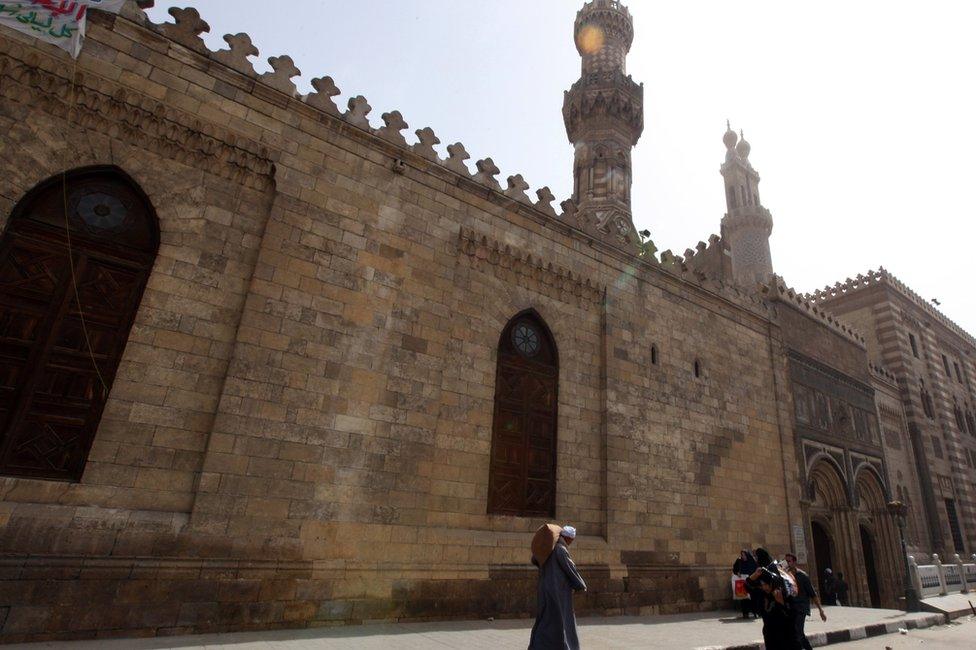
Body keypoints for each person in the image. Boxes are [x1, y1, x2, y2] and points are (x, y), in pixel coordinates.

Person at [529, 525, 587, 650]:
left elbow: (535, 560)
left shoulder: (548, 548)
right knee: (562, 621)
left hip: (544, 589)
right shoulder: (561, 549)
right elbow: (570, 569)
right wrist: (580, 585)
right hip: (558, 591)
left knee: (545, 618)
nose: (571, 542)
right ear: (568, 538)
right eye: (572, 539)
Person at [746, 565, 800, 650]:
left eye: (767, 584)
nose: (765, 587)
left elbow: (793, 616)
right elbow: (747, 586)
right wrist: (755, 575)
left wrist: (781, 603)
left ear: (773, 582)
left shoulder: (785, 594)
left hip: (787, 638)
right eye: (762, 584)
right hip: (770, 637)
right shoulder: (763, 594)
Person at [785, 553, 826, 650]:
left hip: (801, 608)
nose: (787, 563)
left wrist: (821, 610)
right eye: (785, 561)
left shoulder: (803, 576)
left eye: (789, 561)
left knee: (797, 631)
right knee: (796, 632)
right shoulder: (786, 576)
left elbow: (812, 594)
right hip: (791, 607)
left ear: (794, 562)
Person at [732, 550, 759, 619]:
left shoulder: (752, 561)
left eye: (744, 555)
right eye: (742, 555)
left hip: (751, 583)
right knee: (744, 598)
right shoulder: (739, 561)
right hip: (742, 582)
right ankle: (745, 613)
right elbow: (734, 569)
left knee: (752, 598)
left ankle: (755, 612)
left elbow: (755, 571)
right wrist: (737, 573)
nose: (743, 556)